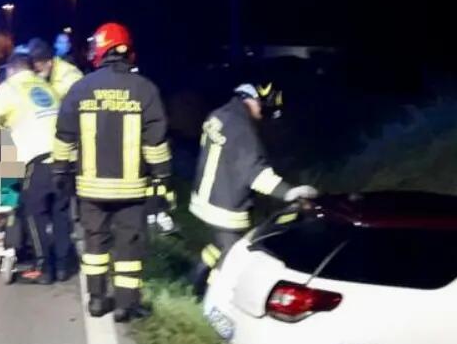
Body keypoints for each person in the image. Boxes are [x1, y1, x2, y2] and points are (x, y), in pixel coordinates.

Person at [53, 22, 172, 322]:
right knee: (128, 246)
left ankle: (95, 300)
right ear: (126, 50)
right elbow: (155, 141)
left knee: (95, 244)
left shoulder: (81, 88)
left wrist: (60, 171)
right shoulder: (145, 89)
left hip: (90, 189)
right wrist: (162, 179)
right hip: (131, 191)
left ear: (100, 51)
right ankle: (125, 305)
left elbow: (64, 135)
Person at [189, 83, 318, 296]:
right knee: (232, 258)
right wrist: (289, 192)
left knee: (218, 246)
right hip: (225, 208)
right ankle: (211, 298)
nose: (262, 112)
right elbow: (255, 174)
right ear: (252, 99)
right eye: (262, 105)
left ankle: (195, 279)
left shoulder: (219, 115)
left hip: (205, 199)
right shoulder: (242, 129)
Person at [0, 45, 72, 283]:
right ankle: (62, 266)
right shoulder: (46, 87)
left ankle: (44, 268)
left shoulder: (9, 88)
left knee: (33, 212)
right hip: (65, 159)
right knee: (60, 213)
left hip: (37, 161)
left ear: (11, 70)